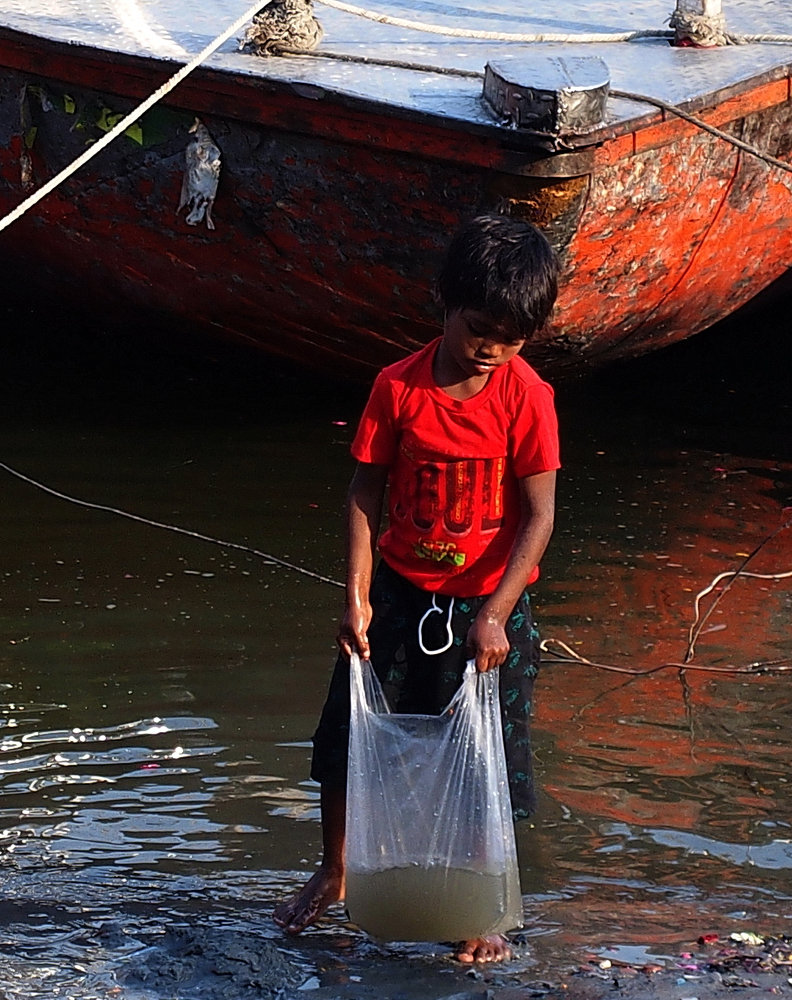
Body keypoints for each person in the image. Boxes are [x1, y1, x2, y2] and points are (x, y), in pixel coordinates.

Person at [273, 215, 561, 964]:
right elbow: (364, 493)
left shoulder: (527, 397)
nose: (492, 347)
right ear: (445, 302)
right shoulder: (397, 388)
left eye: (510, 336)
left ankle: (477, 905)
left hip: (484, 606)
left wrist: (496, 614)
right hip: (401, 591)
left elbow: (539, 515)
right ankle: (336, 869)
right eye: (479, 328)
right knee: (344, 736)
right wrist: (357, 595)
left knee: (485, 756)